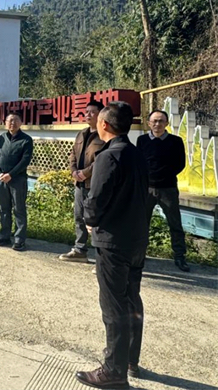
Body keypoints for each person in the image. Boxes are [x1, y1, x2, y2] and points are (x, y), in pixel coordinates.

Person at [76, 101, 150, 390]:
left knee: (113, 305)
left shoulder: (108, 156)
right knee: (132, 298)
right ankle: (130, 359)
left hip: (113, 240)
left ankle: (113, 371)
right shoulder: (136, 153)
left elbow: (96, 199)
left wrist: (90, 220)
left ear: (104, 124)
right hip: (136, 238)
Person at [137, 109, 189, 272]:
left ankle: (180, 256)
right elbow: (139, 163)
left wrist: (164, 174)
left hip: (168, 188)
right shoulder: (142, 140)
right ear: (149, 123)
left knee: (175, 224)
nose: (157, 124)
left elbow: (180, 164)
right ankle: (139, 254)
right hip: (147, 189)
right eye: (154, 121)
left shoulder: (175, 141)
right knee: (141, 223)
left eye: (161, 121)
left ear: (166, 123)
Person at [60, 100, 105, 262]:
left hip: (95, 184)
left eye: (92, 112)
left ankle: (102, 256)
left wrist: (85, 173)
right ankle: (80, 249)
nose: (88, 114)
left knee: (97, 219)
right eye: (86, 112)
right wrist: (74, 171)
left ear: (101, 114)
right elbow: (73, 154)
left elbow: (102, 159)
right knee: (79, 216)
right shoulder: (81, 133)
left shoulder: (104, 135)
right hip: (79, 184)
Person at [0, 113, 33, 251]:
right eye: (9, 120)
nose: (12, 123)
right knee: (4, 208)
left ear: (21, 122)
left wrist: (11, 174)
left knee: (19, 209)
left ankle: (19, 240)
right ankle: (4, 236)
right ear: (5, 122)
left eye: (15, 120)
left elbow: (25, 161)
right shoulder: (1, 138)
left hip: (17, 179)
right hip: (2, 179)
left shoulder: (26, 140)